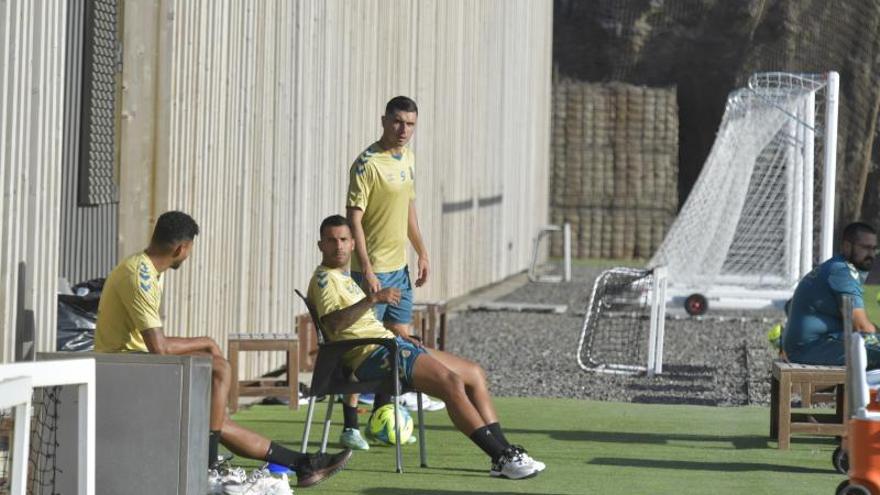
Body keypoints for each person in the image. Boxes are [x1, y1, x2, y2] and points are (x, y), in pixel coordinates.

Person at [95, 211, 351, 489]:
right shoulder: (141, 277)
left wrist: (204, 344)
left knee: (214, 420)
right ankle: (209, 464)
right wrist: (205, 341)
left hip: (133, 362)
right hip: (120, 368)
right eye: (189, 250)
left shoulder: (148, 269)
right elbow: (159, 348)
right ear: (181, 248)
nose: (188, 255)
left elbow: (154, 342)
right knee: (218, 367)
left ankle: (302, 464)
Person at [308, 215, 546, 479]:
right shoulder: (325, 280)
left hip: (388, 344)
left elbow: (360, 324)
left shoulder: (344, 277)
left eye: (343, 240)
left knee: (474, 373)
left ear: (353, 244)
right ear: (321, 245)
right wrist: (373, 299)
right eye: (331, 240)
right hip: (372, 356)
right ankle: (500, 456)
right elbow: (333, 325)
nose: (338, 246)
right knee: (451, 382)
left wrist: (394, 332)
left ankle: (506, 451)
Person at [341, 96, 444, 449]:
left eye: (411, 124)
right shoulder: (367, 164)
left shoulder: (409, 159)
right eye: (398, 122)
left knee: (401, 338)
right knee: (363, 349)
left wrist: (422, 251)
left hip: (399, 270)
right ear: (384, 120)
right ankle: (349, 424)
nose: (404, 130)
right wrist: (367, 269)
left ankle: (383, 413)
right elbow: (354, 218)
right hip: (373, 273)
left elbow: (409, 208)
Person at [783, 222, 880, 368]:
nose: (871, 254)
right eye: (865, 248)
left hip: (809, 345)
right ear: (847, 247)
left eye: (874, 249)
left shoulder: (834, 266)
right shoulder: (842, 272)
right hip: (811, 349)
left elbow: (789, 306)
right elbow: (862, 327)